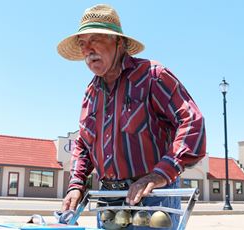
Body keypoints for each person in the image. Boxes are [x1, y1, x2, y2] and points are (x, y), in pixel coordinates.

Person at [57, 4, 206, 229]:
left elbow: (192, 121)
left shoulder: (152, 76)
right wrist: (76, 184)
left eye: (95, 39)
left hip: (153, 199)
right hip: (108, 203)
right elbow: (84, 144)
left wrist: (160, 174)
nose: (87, 49)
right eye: (82, 43)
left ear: (120, 43)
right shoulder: (91, 92)